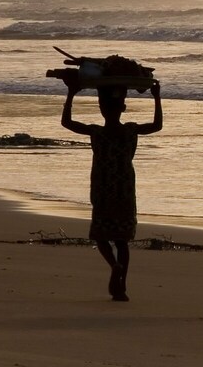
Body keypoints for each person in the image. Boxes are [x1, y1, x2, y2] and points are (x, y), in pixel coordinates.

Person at [61, 79, 162, 301]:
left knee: (101, 235)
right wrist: (156, 96)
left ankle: (113, 265)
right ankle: (122, 286)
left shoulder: (96, 132)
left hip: (102, 186)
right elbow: (156, 126)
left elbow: (66, 122)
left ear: (101, 109)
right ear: (123, 108)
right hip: (124, 187)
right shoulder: (130, 131)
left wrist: (70, 94)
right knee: (122, 240)